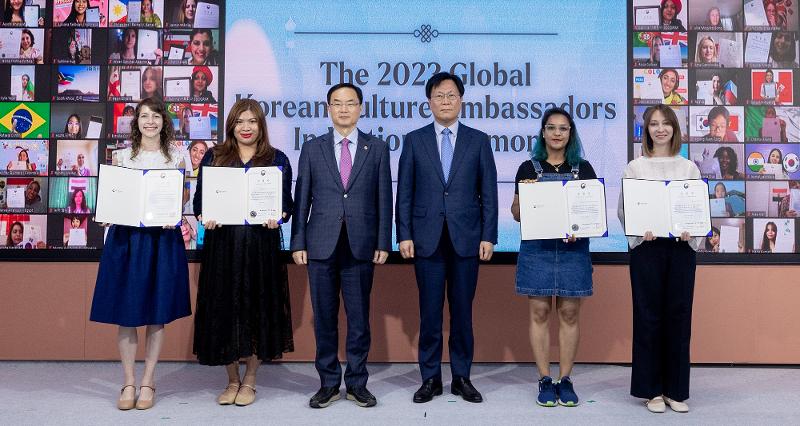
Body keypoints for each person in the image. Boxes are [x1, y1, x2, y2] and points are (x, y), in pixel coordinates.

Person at [396, 72, 498, 404]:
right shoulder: (414, 140)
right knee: (429, 314)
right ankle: (430, 379)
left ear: (461, 100)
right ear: (429, 102)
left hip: (467, 239)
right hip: (426, 239)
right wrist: (404, 234)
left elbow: (489, 193)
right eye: (439, 96)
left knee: (462, 313)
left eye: (451, 95)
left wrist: (488, 235)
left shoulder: (479, 140)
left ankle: (461, 377)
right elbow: (405, 193)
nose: (445, 101)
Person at [290, 83, 392, 409]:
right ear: (328, 108)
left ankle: (358, 382)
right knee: (324, 319)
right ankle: (329, 383)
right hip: (320, 244)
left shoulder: (376, 149)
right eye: (337, 103)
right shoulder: (312, 148)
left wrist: (382, 241)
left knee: (359, 319)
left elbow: (383, 200)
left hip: (361, 244)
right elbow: (302, 197)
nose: (344, 109)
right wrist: (297, 241)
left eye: (350, 103)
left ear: (361, 108)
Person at [89, 97, 191, 411]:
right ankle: (129, 381)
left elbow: (183, 197)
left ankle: (148, 381)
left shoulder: (177, 155)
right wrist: (106, 210)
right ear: (137, 122)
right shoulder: (121, 156)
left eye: (155, 116)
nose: (149, 121)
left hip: (161, 239)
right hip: (126, 240)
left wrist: (175, 207)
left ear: (164, 121)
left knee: (157, 314)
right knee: (126, 313)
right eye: (144, 116)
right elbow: (111, 196)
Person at [193, 99, 295, 406]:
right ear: (231, 126)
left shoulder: (277, 159)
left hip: (261, 249)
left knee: (257, 311)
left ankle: (249, 380)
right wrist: (204, 217)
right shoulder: (215, 156)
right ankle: (231, 380)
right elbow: (200, 203)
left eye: (252, 121)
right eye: (240, 122)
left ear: (260, 125)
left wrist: (279, 217)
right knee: (225, 311)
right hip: (223, 248)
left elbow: (287, 205)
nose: (246, 127)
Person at [510, 107, 595, 407]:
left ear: (570, 134)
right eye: (552, 128)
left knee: (570, 314)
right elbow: (517, 213)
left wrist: (579, 228)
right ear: (543, 132)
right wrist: (527, 196)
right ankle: (545, 379)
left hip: (573, 251)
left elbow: (591, 213)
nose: (557, 133)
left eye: (564, 128)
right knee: (539, 314)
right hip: (538, 251)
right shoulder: (527, 168)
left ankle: (566, 379)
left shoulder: (584, 169)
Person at [618, 104, 699, 413]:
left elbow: (695, 207)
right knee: (648, 316)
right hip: (647, 249)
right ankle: (651, 390)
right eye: (654, 124)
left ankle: (675, 390)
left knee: (679, 316)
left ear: (675, 129)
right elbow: (625, 210)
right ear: (646, 130)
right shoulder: (635, 167)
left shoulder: (688, 167)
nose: (660, 129)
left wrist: (691, 231)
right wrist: (640, 230)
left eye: (666, 123)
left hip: (681, 249)